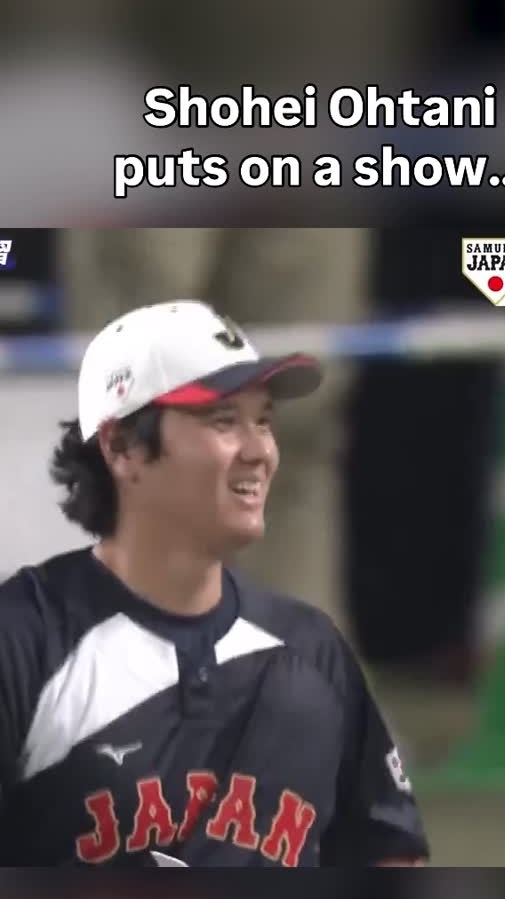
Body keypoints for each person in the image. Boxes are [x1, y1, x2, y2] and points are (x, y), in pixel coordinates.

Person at [0, 300, 428, 867]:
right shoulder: (24, 640)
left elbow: (388, 856)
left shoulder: (312, 653)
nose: (260, 452)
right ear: (121, 448)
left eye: (265, 421)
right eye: (224, 421)